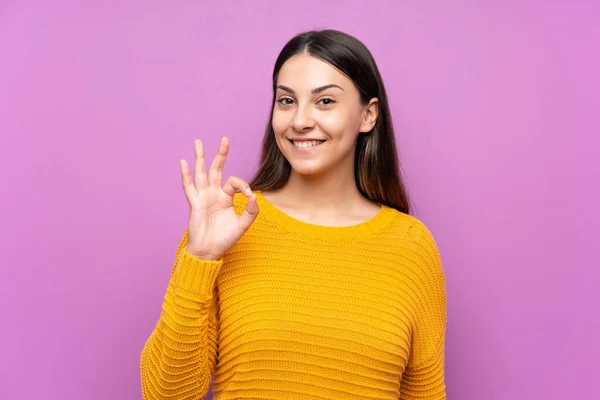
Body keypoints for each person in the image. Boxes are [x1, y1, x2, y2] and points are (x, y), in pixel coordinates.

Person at [140, 29, 447, 400]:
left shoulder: (411, 246)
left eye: (325, 102)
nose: (300, 120)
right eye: (286, 100)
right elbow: (164, 394)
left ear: (368, 115)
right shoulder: (230, 224)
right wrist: (200, 258)